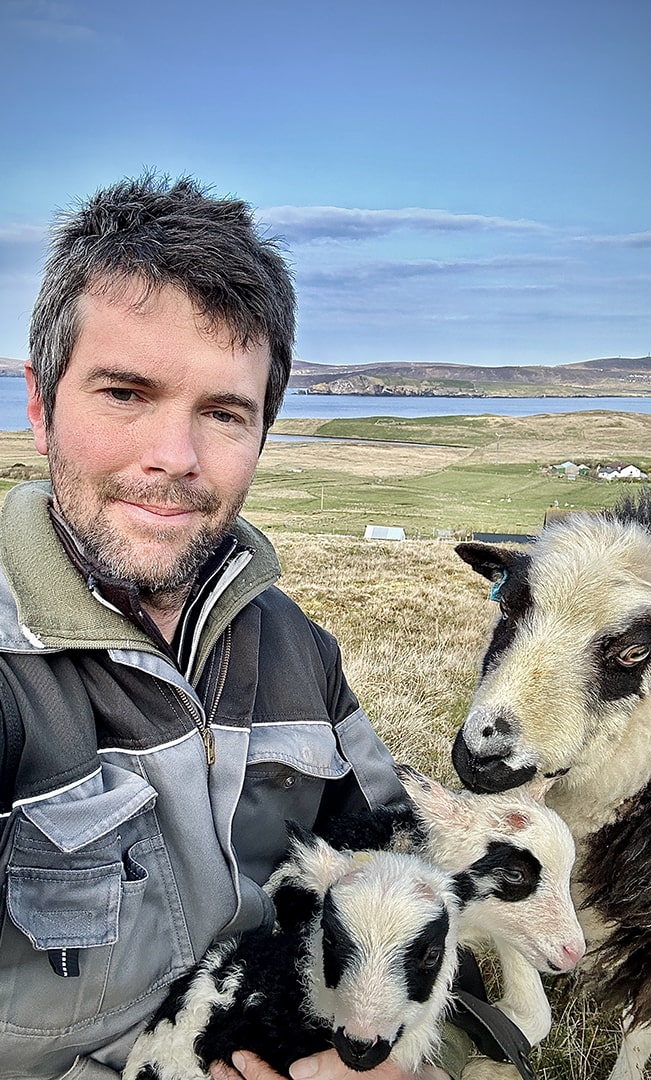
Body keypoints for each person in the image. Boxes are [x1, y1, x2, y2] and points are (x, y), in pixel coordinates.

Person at [0, 174, 471, 1080]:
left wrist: (402, 1057)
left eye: (222, 412)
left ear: (264, 429)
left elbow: (408, 887)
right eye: (126, 393)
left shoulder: (298, 649)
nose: (173, 458)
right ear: (39, 400)